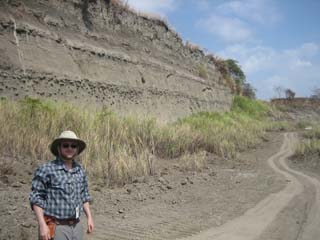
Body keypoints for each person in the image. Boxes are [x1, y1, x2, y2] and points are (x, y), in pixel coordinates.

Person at [29, 130, 94, 240]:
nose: (70, 148)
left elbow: (84, 196)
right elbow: (36, 198)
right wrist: (42, 225)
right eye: (65, 145)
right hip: (56, 227)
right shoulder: (46, 169)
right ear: (59, 148)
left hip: (76, 226)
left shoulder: (80, 170)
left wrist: (89, 218)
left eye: (73, 146)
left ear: (77, 149)